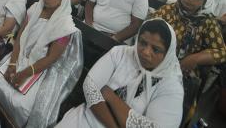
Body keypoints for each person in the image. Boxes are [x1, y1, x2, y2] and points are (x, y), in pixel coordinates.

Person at [0, 0, 83, 127]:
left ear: (61, 0)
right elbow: (19, 37)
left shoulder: (65, 27)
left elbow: (51, 58)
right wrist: (13, 63)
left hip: (39, 68)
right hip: (20, 56)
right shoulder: (34, 9)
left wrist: (24, 73)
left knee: (21, 104)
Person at [56, 19, 184, 128]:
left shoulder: (171, 86)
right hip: (86, 118)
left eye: (155, 49)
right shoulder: (120, 53)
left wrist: (109, 96)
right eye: (143, 43)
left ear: (168, 54)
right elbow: (90, 88)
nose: (145, 52)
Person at [151, 0, 226, 76]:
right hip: (152, 59)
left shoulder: (207, 22)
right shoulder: (167, 10)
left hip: (181, 71)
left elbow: (222, 52)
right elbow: (147, 29)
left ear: (204, 2)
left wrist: (196, 58)